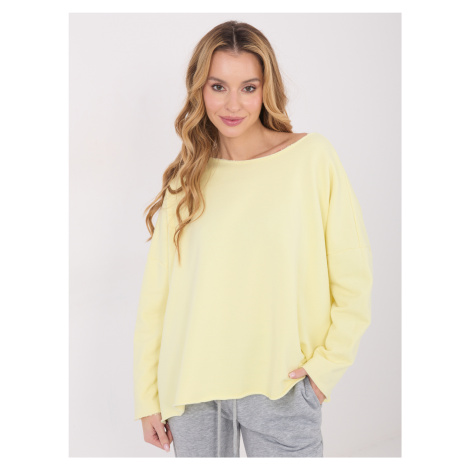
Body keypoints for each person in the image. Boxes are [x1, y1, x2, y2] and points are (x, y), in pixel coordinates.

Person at [133, 20, 373, 458]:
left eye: (248, 87)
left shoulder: (311, 159)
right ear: (199, 90)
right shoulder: (185, 181)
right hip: (192, 392)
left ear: (267, 89)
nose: (232, 104)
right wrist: (147, 396)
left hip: (283, 386)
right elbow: (157, 299)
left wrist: (325, 371)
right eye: (218, 86)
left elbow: (353, 275)